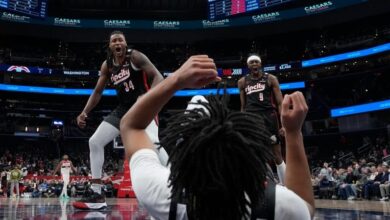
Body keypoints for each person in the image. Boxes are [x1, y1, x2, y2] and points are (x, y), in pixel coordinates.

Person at [120, 55, 314, 219]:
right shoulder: (276, 203)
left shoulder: (161, 194)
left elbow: (131, 126)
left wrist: (176, 79)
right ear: (245, 158)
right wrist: (293, 132)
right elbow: (304, 206)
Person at [73, 30, 167, 210]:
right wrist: (84, 112)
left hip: (143, 103)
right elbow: (97, 92)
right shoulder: (107, 65)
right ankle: (97, 192)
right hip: (123, 109)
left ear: (125, 44)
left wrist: (147, 98)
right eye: (114, 41)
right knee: (95, 141)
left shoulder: (135, 57)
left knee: (153, 144)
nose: (118, 43)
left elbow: (158, 77)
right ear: (110, 46)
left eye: (120, 40)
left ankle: (177, 183)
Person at [237, 54, 286, 185]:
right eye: (251, 62)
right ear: (248, 66)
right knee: (254, 154)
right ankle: (260, 186)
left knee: (277, 155)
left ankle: (287, 185)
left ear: (260, 64)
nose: (254, 64)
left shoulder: (271, 79)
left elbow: (280, 103)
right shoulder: (242, 82)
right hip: (252, 118)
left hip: (269, 117)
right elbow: (243, 106)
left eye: (256, 62)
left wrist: (283, 125)